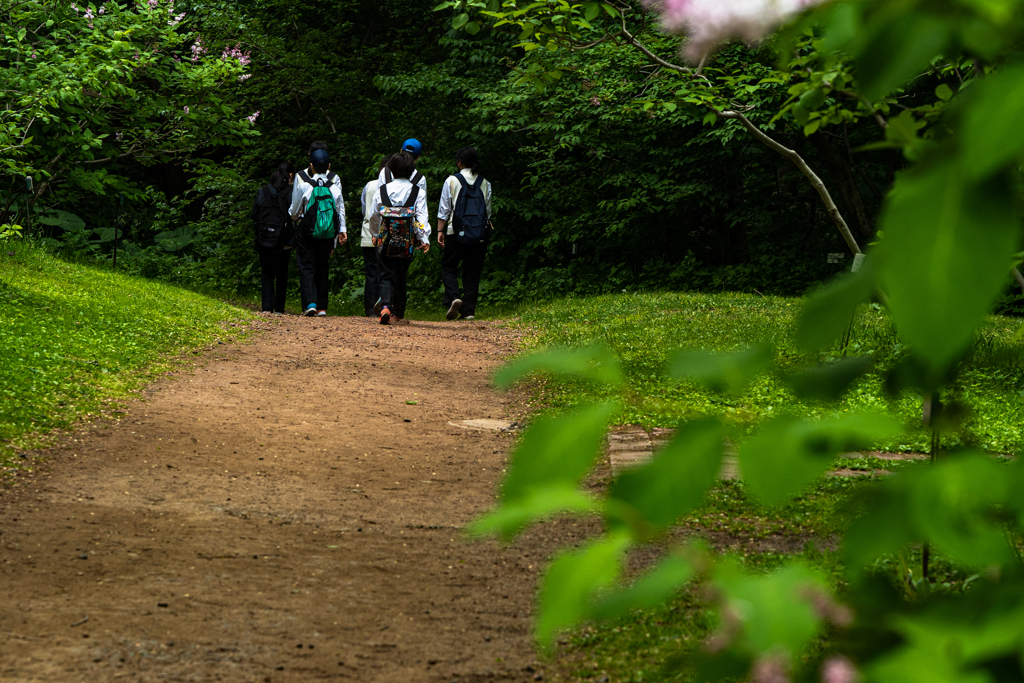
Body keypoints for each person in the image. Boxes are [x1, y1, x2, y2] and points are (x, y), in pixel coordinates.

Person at [367, 151, 429, 325]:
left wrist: (375, 235)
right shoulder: (418, 192)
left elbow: (373, 215)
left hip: (385, 240)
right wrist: (424, 239)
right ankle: (397, 314)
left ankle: (385, 306)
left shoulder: (382, 190)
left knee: (385, 273)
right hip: (407, 242)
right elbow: (422, 218)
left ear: (391, 170)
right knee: (401, 273)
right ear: (412, 171)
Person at [289, 142, 347, 316]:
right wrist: (341, 232)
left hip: (307, 231)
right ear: (329, 166)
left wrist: (294, 215)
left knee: (307, 265)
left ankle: (310, 303)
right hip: (328, 233)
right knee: (323, 266)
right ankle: (322, 307)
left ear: (311, 166)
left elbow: (293, 211)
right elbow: (339, 211)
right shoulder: (334, 187)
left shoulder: (304, 185)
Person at [437, 146, 493, 321]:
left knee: (448, 266)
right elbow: (488, 212)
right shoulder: (485, 182)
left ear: (459, 162)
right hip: (479, 233)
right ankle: (469, 311)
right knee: (472, 271)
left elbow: (444, 208)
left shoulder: (452, 180)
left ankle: (454, 297)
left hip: (456, 231)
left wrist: (440, 230)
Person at [251, 161, 295, 314]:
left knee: (267, 273)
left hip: (265, 239)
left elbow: (254, 215)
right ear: (289, 177)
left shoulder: (262, 192)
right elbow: (294, 214)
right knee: (282, 273)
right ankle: (279, 308)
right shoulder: (290, 193)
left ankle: (266, 308)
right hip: (284, 240)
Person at [360, 155, 391, 316]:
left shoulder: (369, 185)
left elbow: (364, 209)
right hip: (387, 236)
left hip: (367, 234)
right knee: (385, 272)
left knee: (371, 274)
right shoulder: (392, 187)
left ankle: (370, 309)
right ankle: (385, 304)